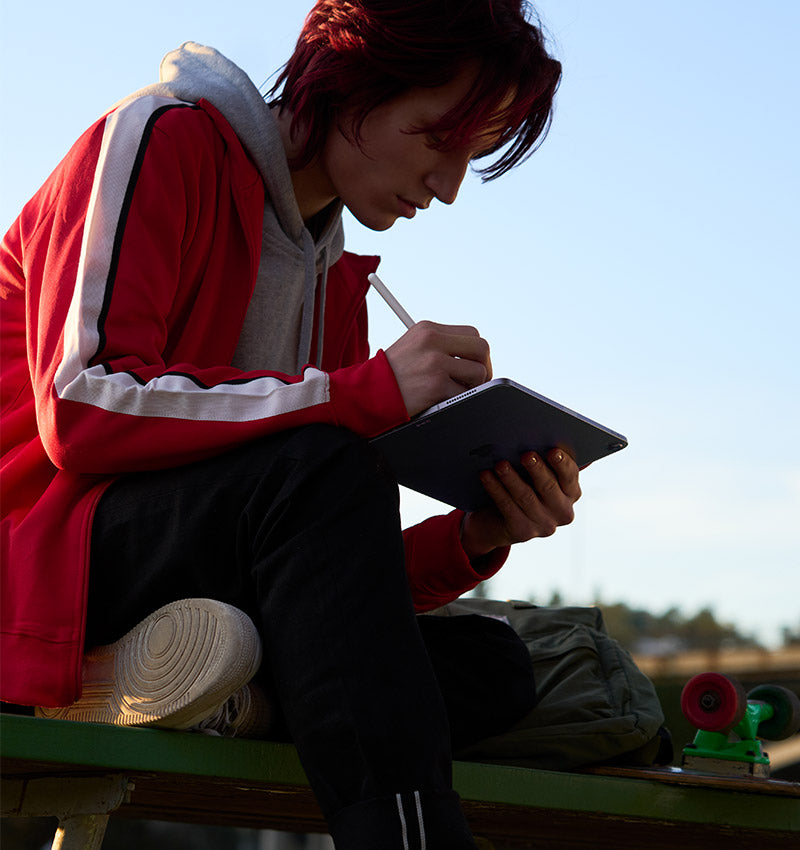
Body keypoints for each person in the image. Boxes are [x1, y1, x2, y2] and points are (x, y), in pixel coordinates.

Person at [0, 1, 579, 846]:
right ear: (348, 83)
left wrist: (476, 535)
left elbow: (336, 576)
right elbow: (84, 406)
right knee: (323, 466)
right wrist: (359, 395)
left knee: (496, 667)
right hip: (46, 554)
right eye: (436, 137)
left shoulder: (336, 278)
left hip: (189, 580)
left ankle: (219, 697)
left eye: (472, 156)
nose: (449, 186)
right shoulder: (162, 135)